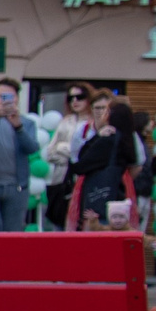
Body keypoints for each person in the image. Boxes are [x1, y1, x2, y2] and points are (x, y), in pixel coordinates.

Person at [66, 94, 145, 229]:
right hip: (120, 196)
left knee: (97, 235)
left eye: (105, 110)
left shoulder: (107, 140)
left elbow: (79, 166)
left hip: (99, 201)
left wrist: (96, 138)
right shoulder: (128, 139)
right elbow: (138, 163)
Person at [0, 80, 39, 231]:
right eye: (2, 96)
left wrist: (18, 127)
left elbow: (32, 148)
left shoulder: (26, 123)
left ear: (17, 98)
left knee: (13, 233)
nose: (5, 101)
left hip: (16, 186)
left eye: (10, 97)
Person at [42, 81, 96, 232]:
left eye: (80, 97)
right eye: (71, 98)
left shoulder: (93, 123)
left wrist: (64, 149)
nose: (75, 101)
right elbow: (50, 152)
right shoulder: (65, 122)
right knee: (59, 222)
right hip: (61, 180)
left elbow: (87, 154)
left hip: (84, 181)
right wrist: (69, 157)